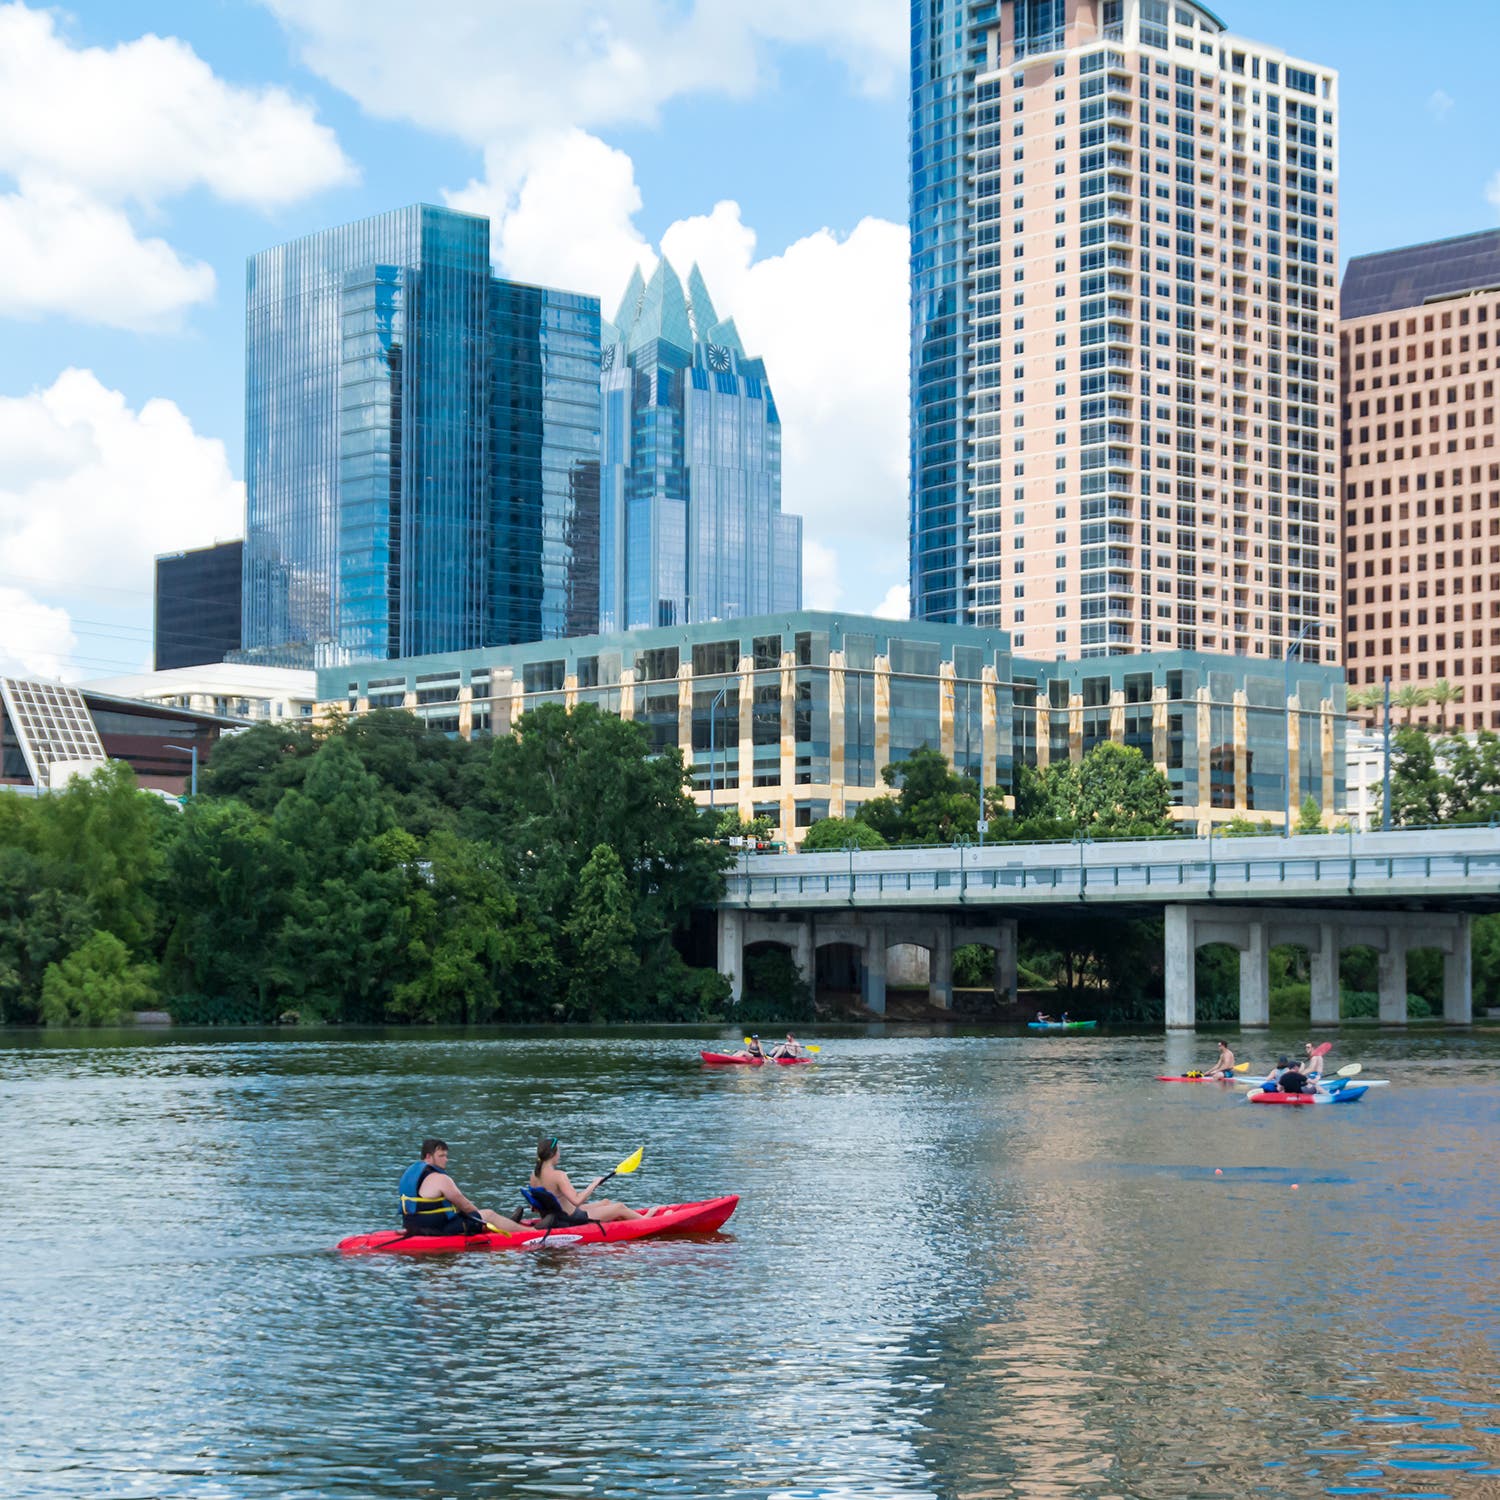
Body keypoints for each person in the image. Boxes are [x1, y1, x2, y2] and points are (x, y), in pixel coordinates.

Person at [398, 1138, 525, 1236]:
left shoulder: (409, 1174)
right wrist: (480, 1217)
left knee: (474, 1217)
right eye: (441, 1156)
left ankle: (507, 1223)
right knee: (489, 1214)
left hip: (412, 1226)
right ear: (428, 1157)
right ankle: (530, 1231)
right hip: (437, 1229)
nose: (446, 1160)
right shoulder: (440, 1178)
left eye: (446, 1156)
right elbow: (466, 1206)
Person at [530, 1136, 643, 1225]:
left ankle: (619, 1223)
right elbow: (577, 1201)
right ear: (553, 1154)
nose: (559, 1155)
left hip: (554, 1216)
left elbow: (535, 1208)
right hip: (570, 1218)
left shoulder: (534, 1175)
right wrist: (593, 1184)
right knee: (619, 1207)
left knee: (606, 1202)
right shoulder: (558, 1175)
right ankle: (645, 1220)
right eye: (559, 1151)